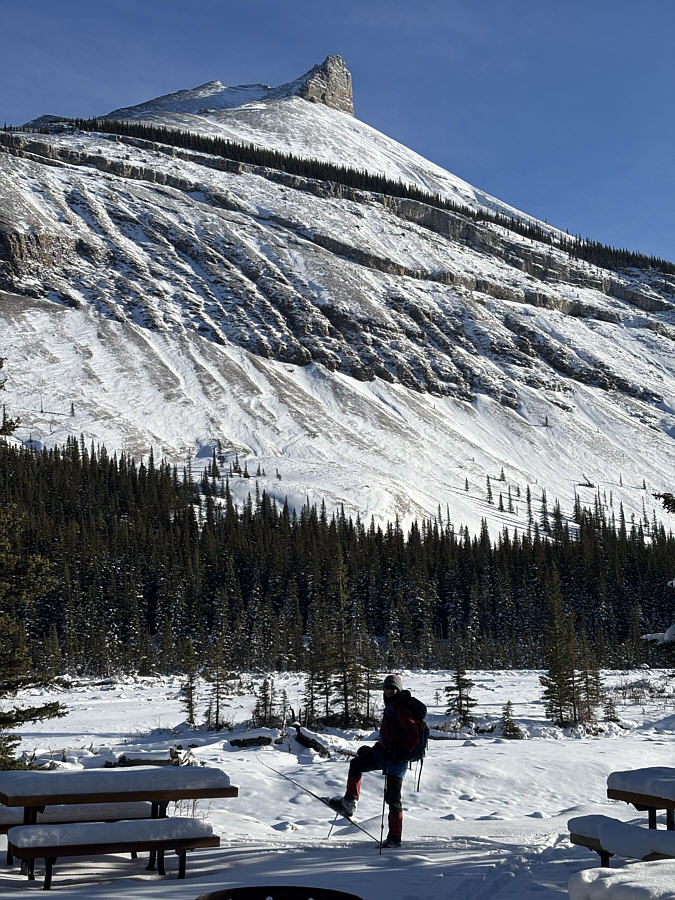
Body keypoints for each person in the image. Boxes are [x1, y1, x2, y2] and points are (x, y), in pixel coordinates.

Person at [329, 673, 422, 848]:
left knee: (393, 800)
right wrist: (375, 749)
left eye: (393, 688)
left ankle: (394, 839)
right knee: (356, 764)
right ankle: (349, 803)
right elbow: (390, 735)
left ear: (398, 690)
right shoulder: (391, 706)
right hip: (384, 754)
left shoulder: (401, 708)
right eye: (387, 688)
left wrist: (398, 753)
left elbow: (413, 736)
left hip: (397, 761)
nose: (389, 691)